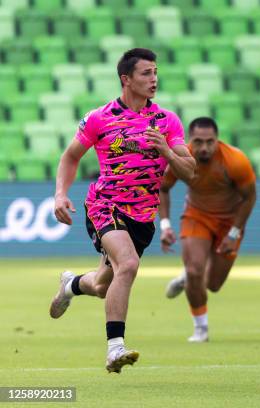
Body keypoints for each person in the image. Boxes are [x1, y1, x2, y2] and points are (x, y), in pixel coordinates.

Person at [49, 48, 196, 373]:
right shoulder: (100, 117)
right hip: (106, 204)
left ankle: (71, 284)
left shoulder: (167, 121)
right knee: (127, 264)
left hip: (143, 216)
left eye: (156, 72)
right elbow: (71, 157)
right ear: (126, 79)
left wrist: (166, 152)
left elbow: (189, 171)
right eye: (146, 73)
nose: (154, 79)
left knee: (103, 285)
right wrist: (60, 194)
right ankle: (115, 348)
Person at [160, 117, 257, 343]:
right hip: (197, 216)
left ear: (217, 140)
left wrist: (234, 233)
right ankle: (200, 329)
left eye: (210, 141)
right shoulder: (181, 158)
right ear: (189, 141)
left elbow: (249, 197)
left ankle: (188, 279)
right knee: (196, 271)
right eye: (198, 141)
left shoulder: (235, 160)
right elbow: (162, 189)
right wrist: (165, 226)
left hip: (229, 222)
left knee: (213, 284)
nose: (204, 147)